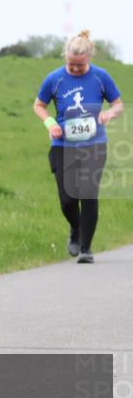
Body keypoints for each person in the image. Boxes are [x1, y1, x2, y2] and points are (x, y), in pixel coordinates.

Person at [33, 31, 123, 264]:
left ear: (89, 60)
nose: (74, 69)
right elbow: (39, 105)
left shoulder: (101, 77)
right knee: (67, 199)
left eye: (80, 66)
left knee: (88, 194)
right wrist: (50, 123)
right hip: (63, 144)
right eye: (71, 64)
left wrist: (109, 113)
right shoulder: (54, 78)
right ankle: (76, 228)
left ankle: (86, 248)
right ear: (65, 57)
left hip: (94, 144)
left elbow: (118, 104)